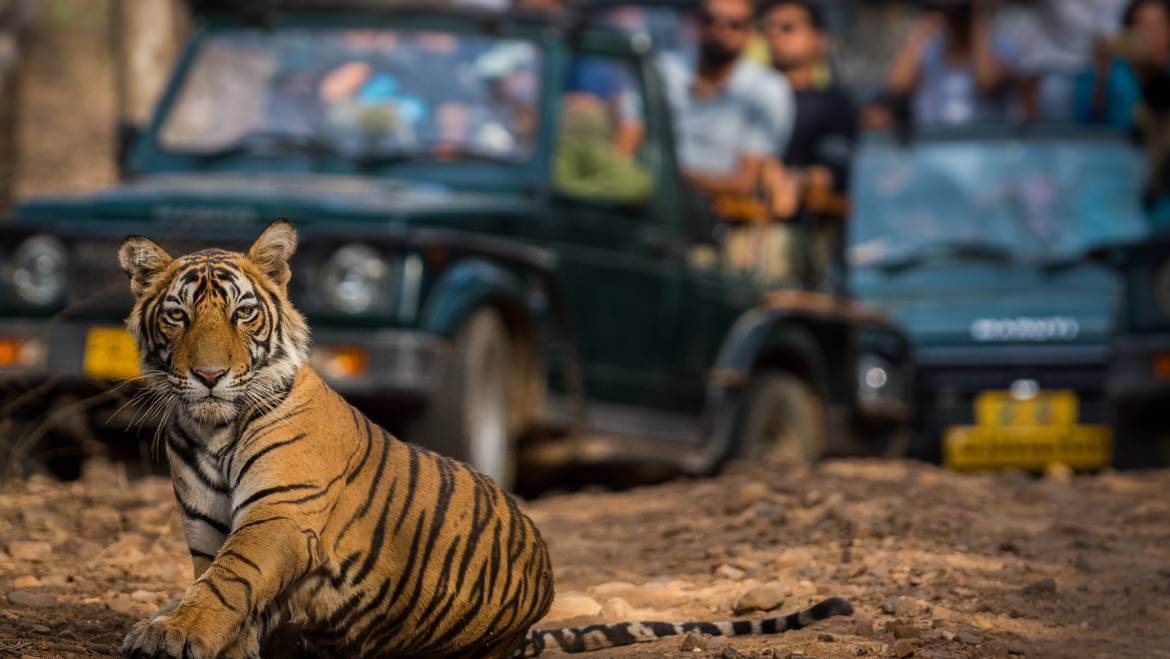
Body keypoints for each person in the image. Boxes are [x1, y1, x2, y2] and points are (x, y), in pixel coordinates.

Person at [658, 0, 794, 278]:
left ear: (750, 33)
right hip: (650, 209)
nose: (720, 31)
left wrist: (672, 175)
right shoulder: (663, 69)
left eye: (734, 24)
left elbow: (744, 181)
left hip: (717, 226)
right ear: (696, 23)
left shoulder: (766, 90)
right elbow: (627, 144)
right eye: (711, 20)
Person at [760, 0, 857, 289]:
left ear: (819, 39)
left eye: (788, 27)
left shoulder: (833, 104)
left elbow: (833, 172)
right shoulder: (749, 96)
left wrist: (797, 182)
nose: (775, 35)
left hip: (800, 233)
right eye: (768, 28)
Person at [881, 0, 1017, 125]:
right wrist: (925, 26)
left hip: (986, 144)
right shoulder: (928, 49)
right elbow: (897, 86)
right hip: (932, 145)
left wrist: (978, 13)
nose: (956, 19)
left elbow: (988, 81)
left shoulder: (1001, 48)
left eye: (961, 11)